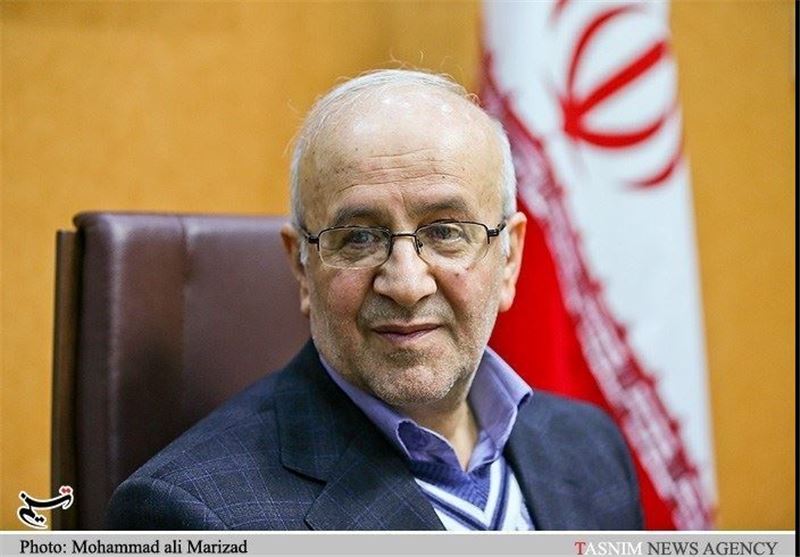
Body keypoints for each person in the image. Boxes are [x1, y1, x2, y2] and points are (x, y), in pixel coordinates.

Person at [106, 69, 643, 530]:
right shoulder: (195, 515)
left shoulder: (591, 446)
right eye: (359, 237)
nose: (406, 284)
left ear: (509, 259)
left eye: (445, 232)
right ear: (302, 267)